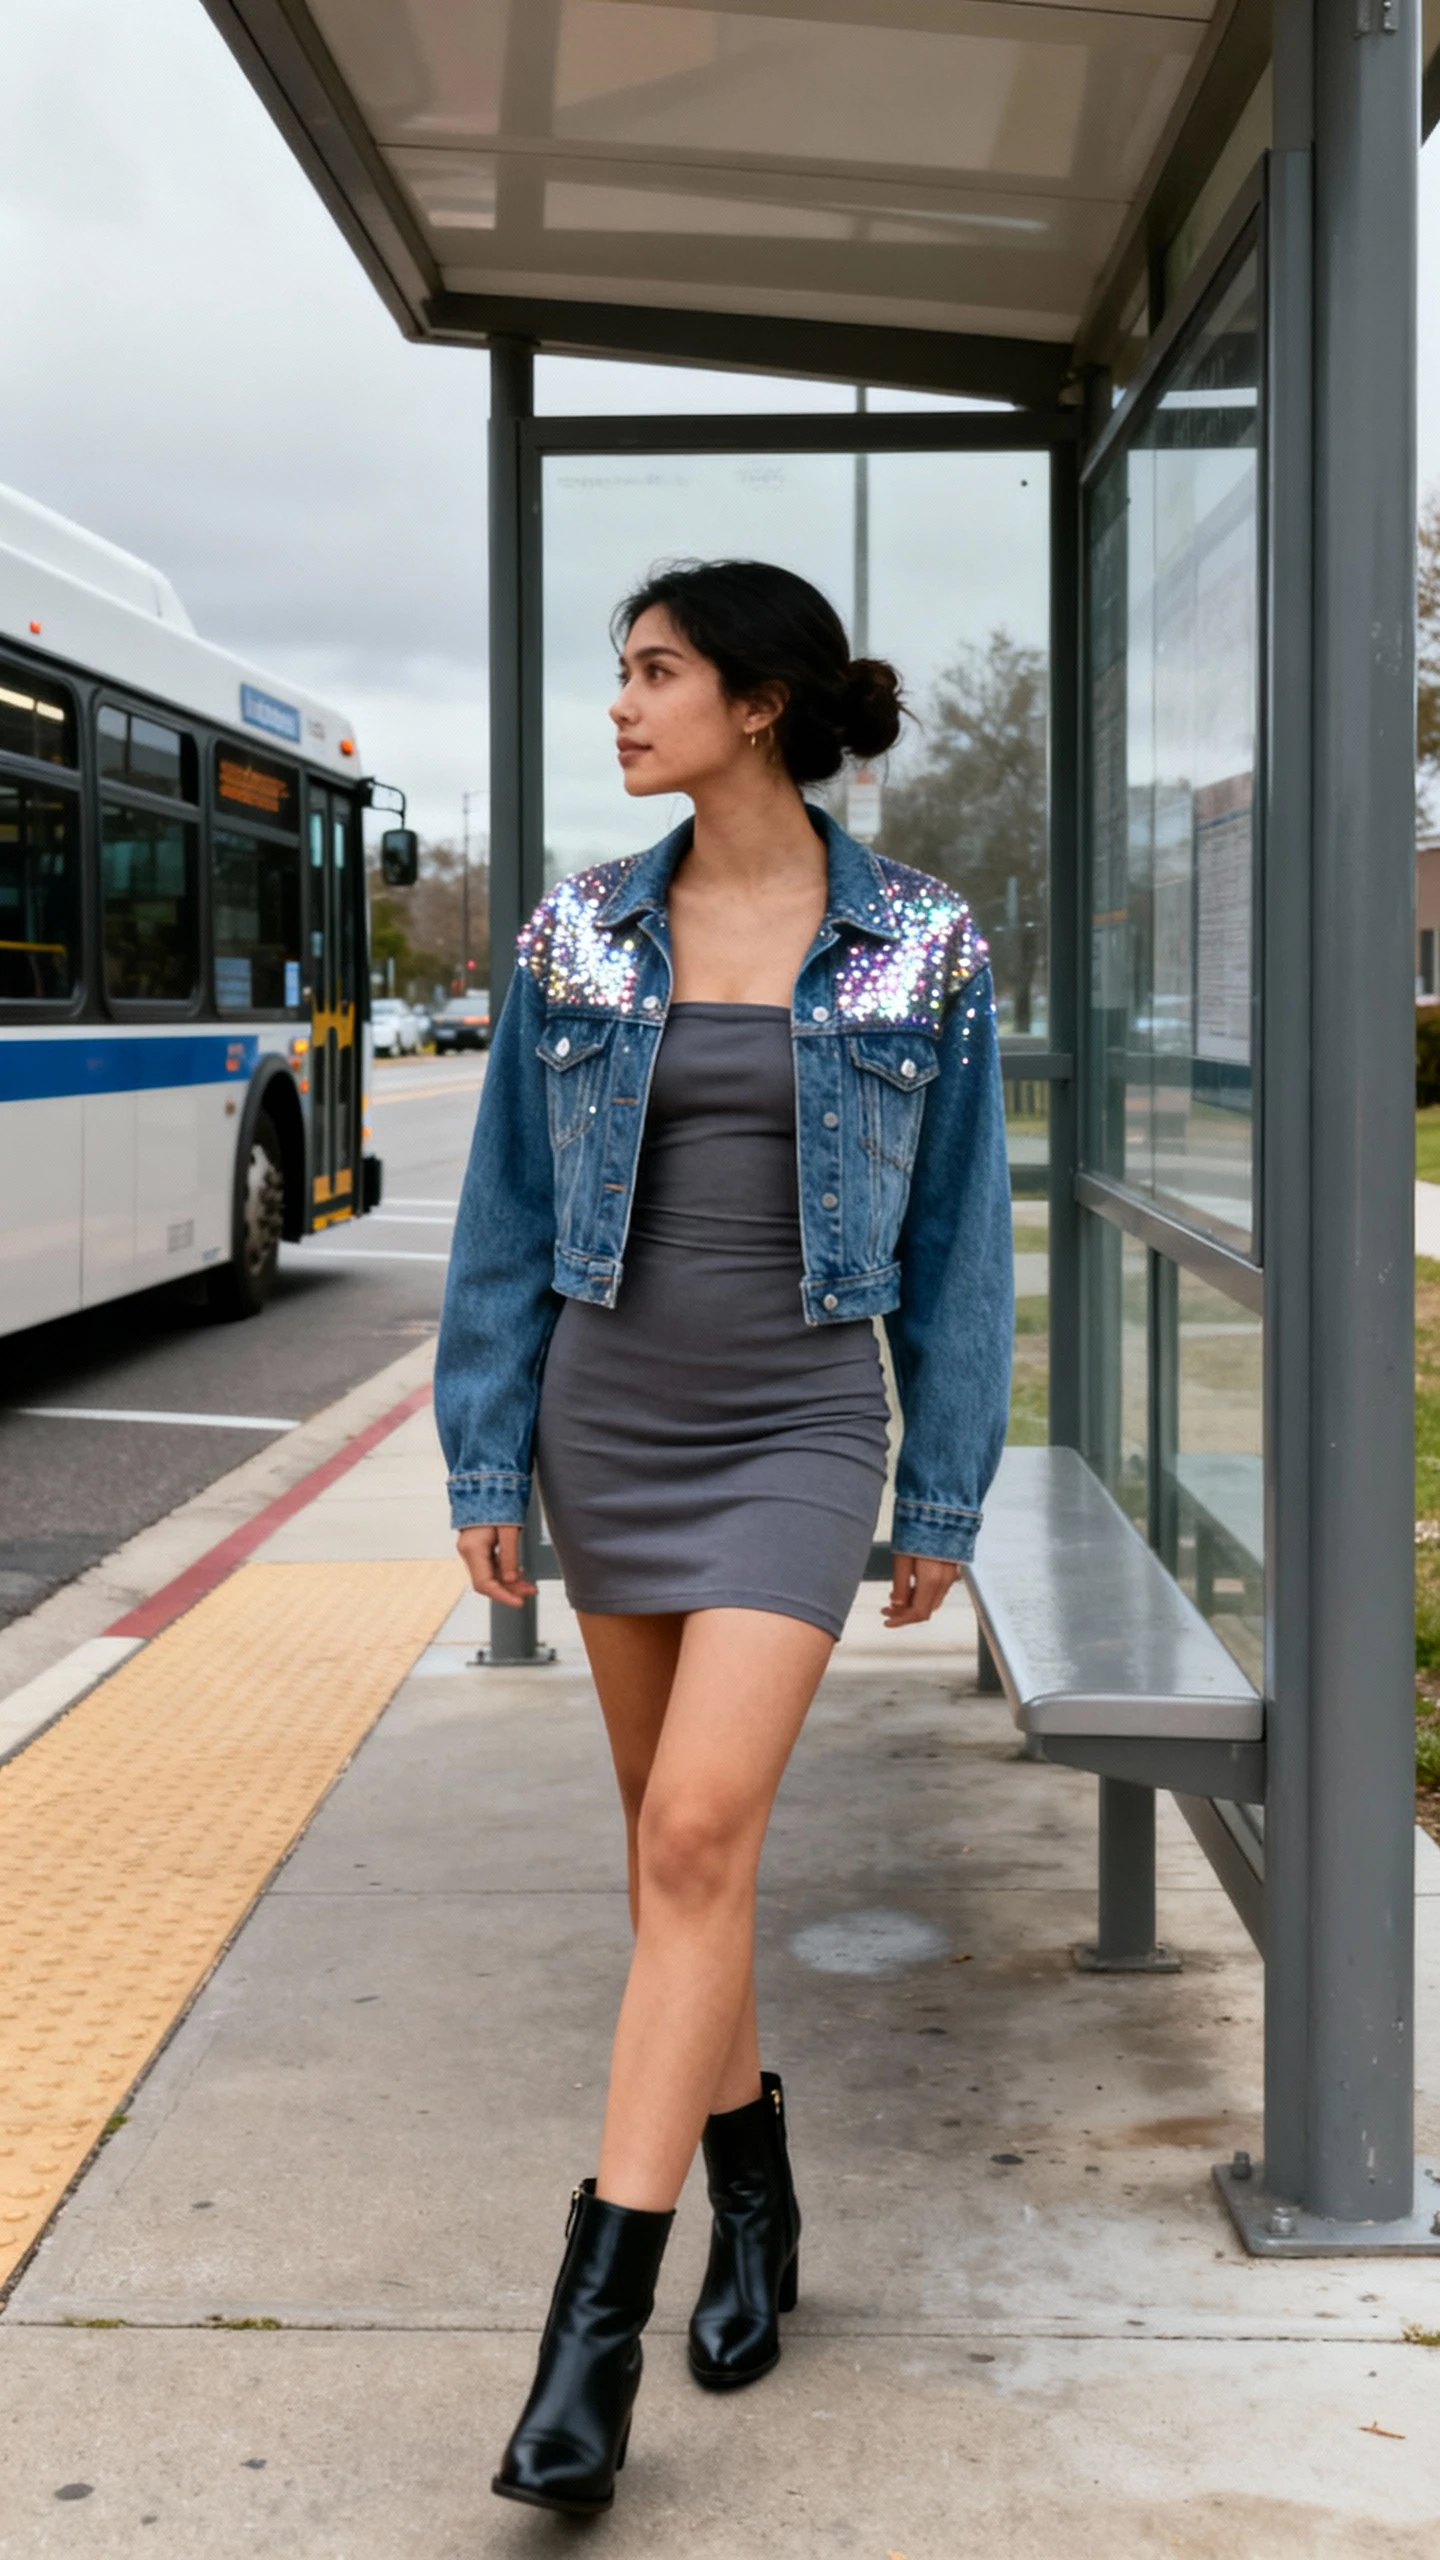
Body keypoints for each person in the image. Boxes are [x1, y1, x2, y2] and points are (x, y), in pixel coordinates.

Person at [435, 558, 1013, 2516]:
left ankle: (586, 2352)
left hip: (796, 1426)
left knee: (694, 1836)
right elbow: (508, 1212)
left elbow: (960, 1235)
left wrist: (942, 1486)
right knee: (682, 1854)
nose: (621, 704)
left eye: (656, 671)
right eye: (622, 672)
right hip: (609, 1419)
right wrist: (485, 1457)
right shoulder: (576, 932)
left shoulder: (919, 942)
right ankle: (755, 2193)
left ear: (757, 702)